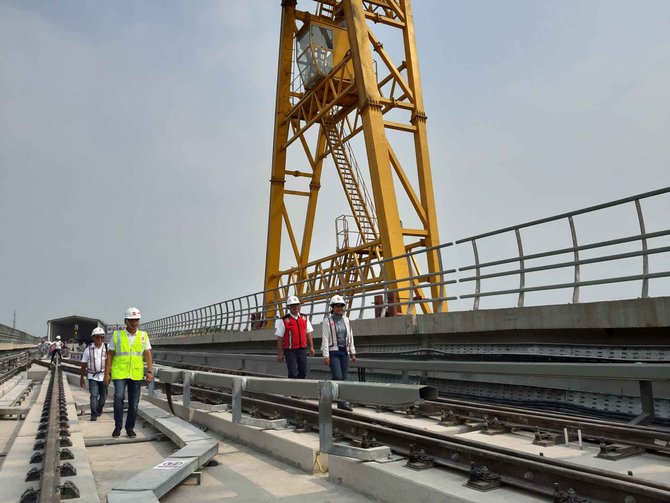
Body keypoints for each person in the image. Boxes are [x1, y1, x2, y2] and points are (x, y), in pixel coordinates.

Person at [104, 307, 153, 438]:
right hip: (119, 372)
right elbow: (110, 355)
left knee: (134, 403)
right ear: (126, 321)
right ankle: (118, 426)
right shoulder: (117, 335)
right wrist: (107, 374)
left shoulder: (143, 336)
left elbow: (147, 354)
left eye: (136, 320)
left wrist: (149, 371)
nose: (134, 322)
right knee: (118, 398)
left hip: (135, 373)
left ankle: (129, 428)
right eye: (131, 320)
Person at [321, 294, 357, 411]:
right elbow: (325, 338)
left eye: (341, 305)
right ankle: (332, 396)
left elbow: (350, 336)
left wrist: (352, 352)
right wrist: (326, 355)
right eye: (336, 306)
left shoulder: (346, 320)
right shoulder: (327, 321)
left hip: (344, 352)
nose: (339, 308)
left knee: (344, 377)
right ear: (332, 307)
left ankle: (341, 403)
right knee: (338, 376)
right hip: (333, 352)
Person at [276, 296, 315, 379]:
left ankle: (300, 390)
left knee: (303, 372)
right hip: (290, 351)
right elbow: (280, 337)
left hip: (302, 349)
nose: (295, 307)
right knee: (293, 373)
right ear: (288, 307)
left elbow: (308, 333)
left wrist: (311, 347)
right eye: (292, 306)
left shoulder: (304, 318)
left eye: (297, 305)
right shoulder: (284, 320)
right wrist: (280, 353)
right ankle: (292, 390)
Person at [79, 327, 108, 421]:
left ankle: (99, 409)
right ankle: (93, 414)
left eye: (101, 337)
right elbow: (83, 364)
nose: (99, 339)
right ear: (93, 338)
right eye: (97, 337)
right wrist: (81, 377)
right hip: (92, 376)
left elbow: (110, 363)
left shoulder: (107, 348)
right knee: (94, 395)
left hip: (104, 376)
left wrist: (109, 375)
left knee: (103, 396)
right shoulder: (88, 350)